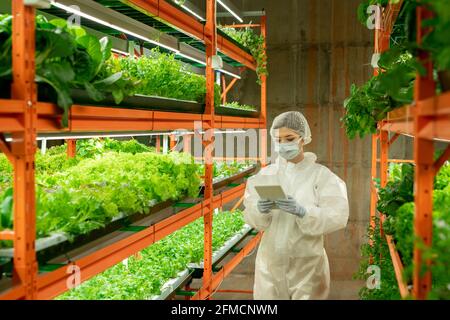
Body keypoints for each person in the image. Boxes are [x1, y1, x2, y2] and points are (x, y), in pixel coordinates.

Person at [243, 111, 349, 300]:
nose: (283, 145)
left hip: (306, 265)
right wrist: (259, 209)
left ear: (303, 138)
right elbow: (250, 212)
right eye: (278, 139)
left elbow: (338, 215)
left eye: (289, 138)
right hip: (270, 264)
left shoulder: (321, 176)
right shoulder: (265, 175)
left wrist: (304, 212)